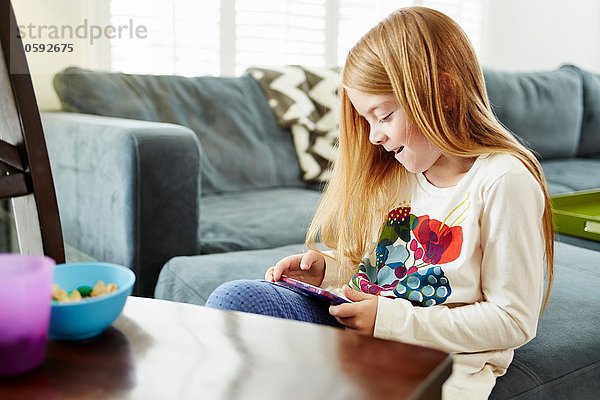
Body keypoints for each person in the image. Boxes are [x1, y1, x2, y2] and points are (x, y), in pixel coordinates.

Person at [206, 6, 554, 399]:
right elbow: (376, 270)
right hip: (357, 330)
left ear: (447, 94)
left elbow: (513, 321)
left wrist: (389, 321)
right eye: (367, 120)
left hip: (425, 357)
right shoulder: (398, 171)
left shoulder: (502, 180)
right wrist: (328, 270)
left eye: (384, 116)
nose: (374, 136)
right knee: (233, 301)